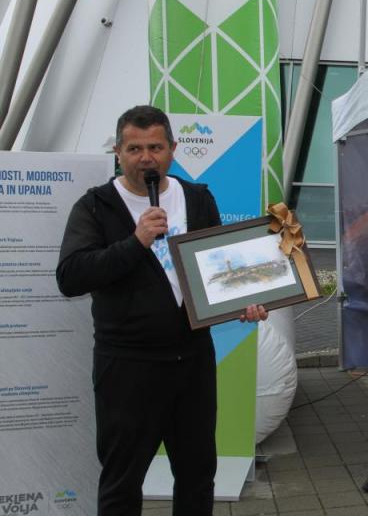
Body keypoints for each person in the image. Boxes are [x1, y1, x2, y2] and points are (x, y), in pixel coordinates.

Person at [56, 106, 268, 516]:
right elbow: (71, 276)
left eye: (155, 147)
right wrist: (135, 241)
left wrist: (241, 302)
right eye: (134, 149)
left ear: (173, 149)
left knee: (197, 475)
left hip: (192, 362)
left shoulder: (198, 199)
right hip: (127, 367)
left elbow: (218, 272)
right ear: (118, 152)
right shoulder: (96, 206)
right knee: (122, 480)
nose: (146, 158)